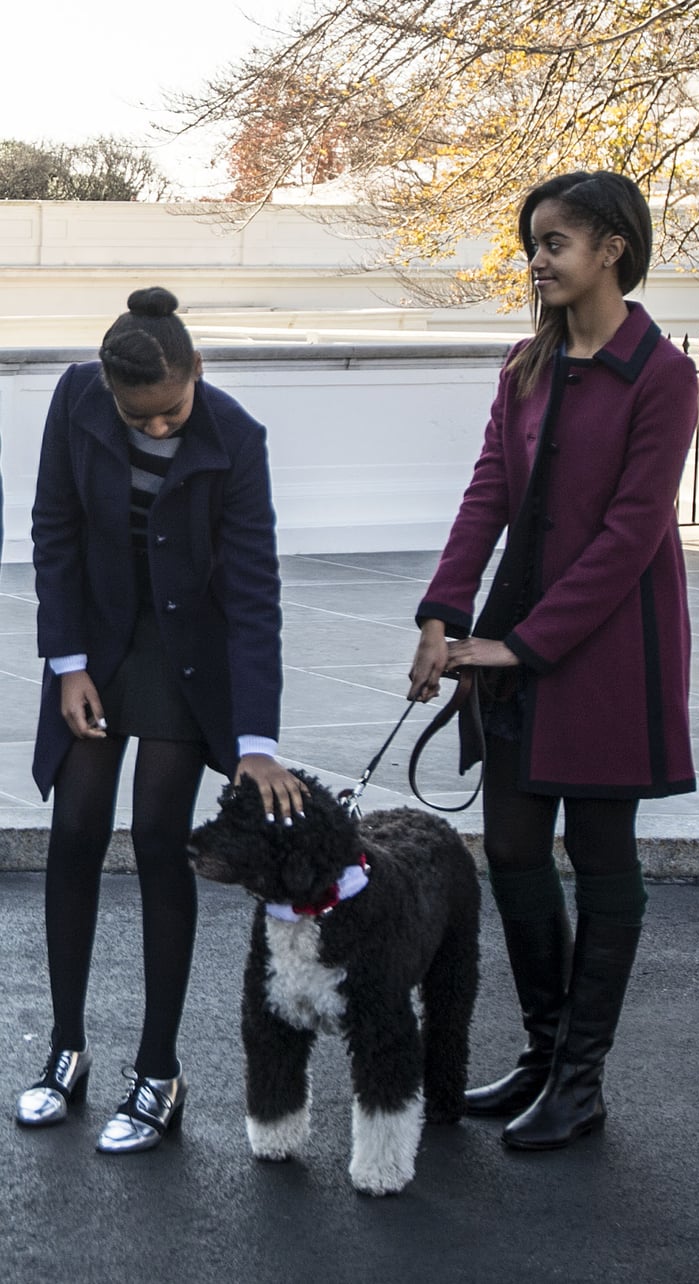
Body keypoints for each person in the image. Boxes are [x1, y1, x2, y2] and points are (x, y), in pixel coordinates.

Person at [408, 171, 699, 1152]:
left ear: (613, 246)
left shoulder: (663, 374)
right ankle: (542, 1053)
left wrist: (519, 644)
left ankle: (581, 1080)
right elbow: (486, 492)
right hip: (512, 646)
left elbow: (630, 534)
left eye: (557, 240)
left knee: (603, 855)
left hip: (612, 648)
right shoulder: (524, 365)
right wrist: (444, 614)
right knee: (519, 853)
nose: (538, 257)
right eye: (534, 240)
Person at [16, 286, 306, 1153]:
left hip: (186, 660)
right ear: (106, 390)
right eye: (135, 415)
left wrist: (256, 742)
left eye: (168, 413)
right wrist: (66, 664)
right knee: (73, 833)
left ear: (197, 374)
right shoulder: (75, 398)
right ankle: (65, 1052)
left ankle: (158, 1071)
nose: (153, 429)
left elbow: (254, 592)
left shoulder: (236, 438)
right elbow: (54, 529)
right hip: (98, 647)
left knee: (155, 840)